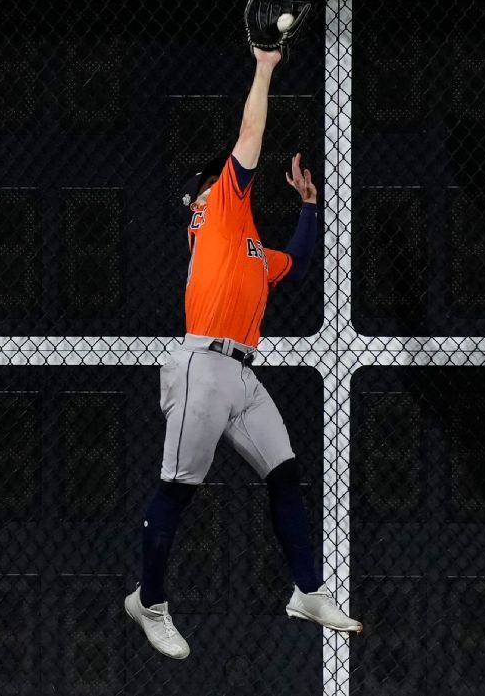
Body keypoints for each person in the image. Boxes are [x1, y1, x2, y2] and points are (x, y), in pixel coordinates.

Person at [123, 45, 361, 661]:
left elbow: (301, 262)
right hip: (202, 365)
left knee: (284, 474)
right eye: (217, 178)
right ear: (207, 197)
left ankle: (307, 591)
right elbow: (251, 131)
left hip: (242, 375)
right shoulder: (220, 209)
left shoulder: (250, 248)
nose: (226, 178)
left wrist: (309, 205)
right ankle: (148, 602)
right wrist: (264, 66)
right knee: (177, 488)